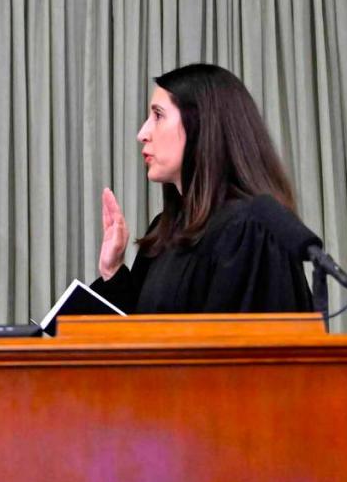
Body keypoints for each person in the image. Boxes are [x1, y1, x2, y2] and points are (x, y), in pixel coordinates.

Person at [91, 63, 313, 313]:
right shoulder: (165, 231)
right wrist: (113, 271)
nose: (142, 133)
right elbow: (142, 336)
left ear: (202, 125)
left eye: (158, 115)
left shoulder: (248, 230)